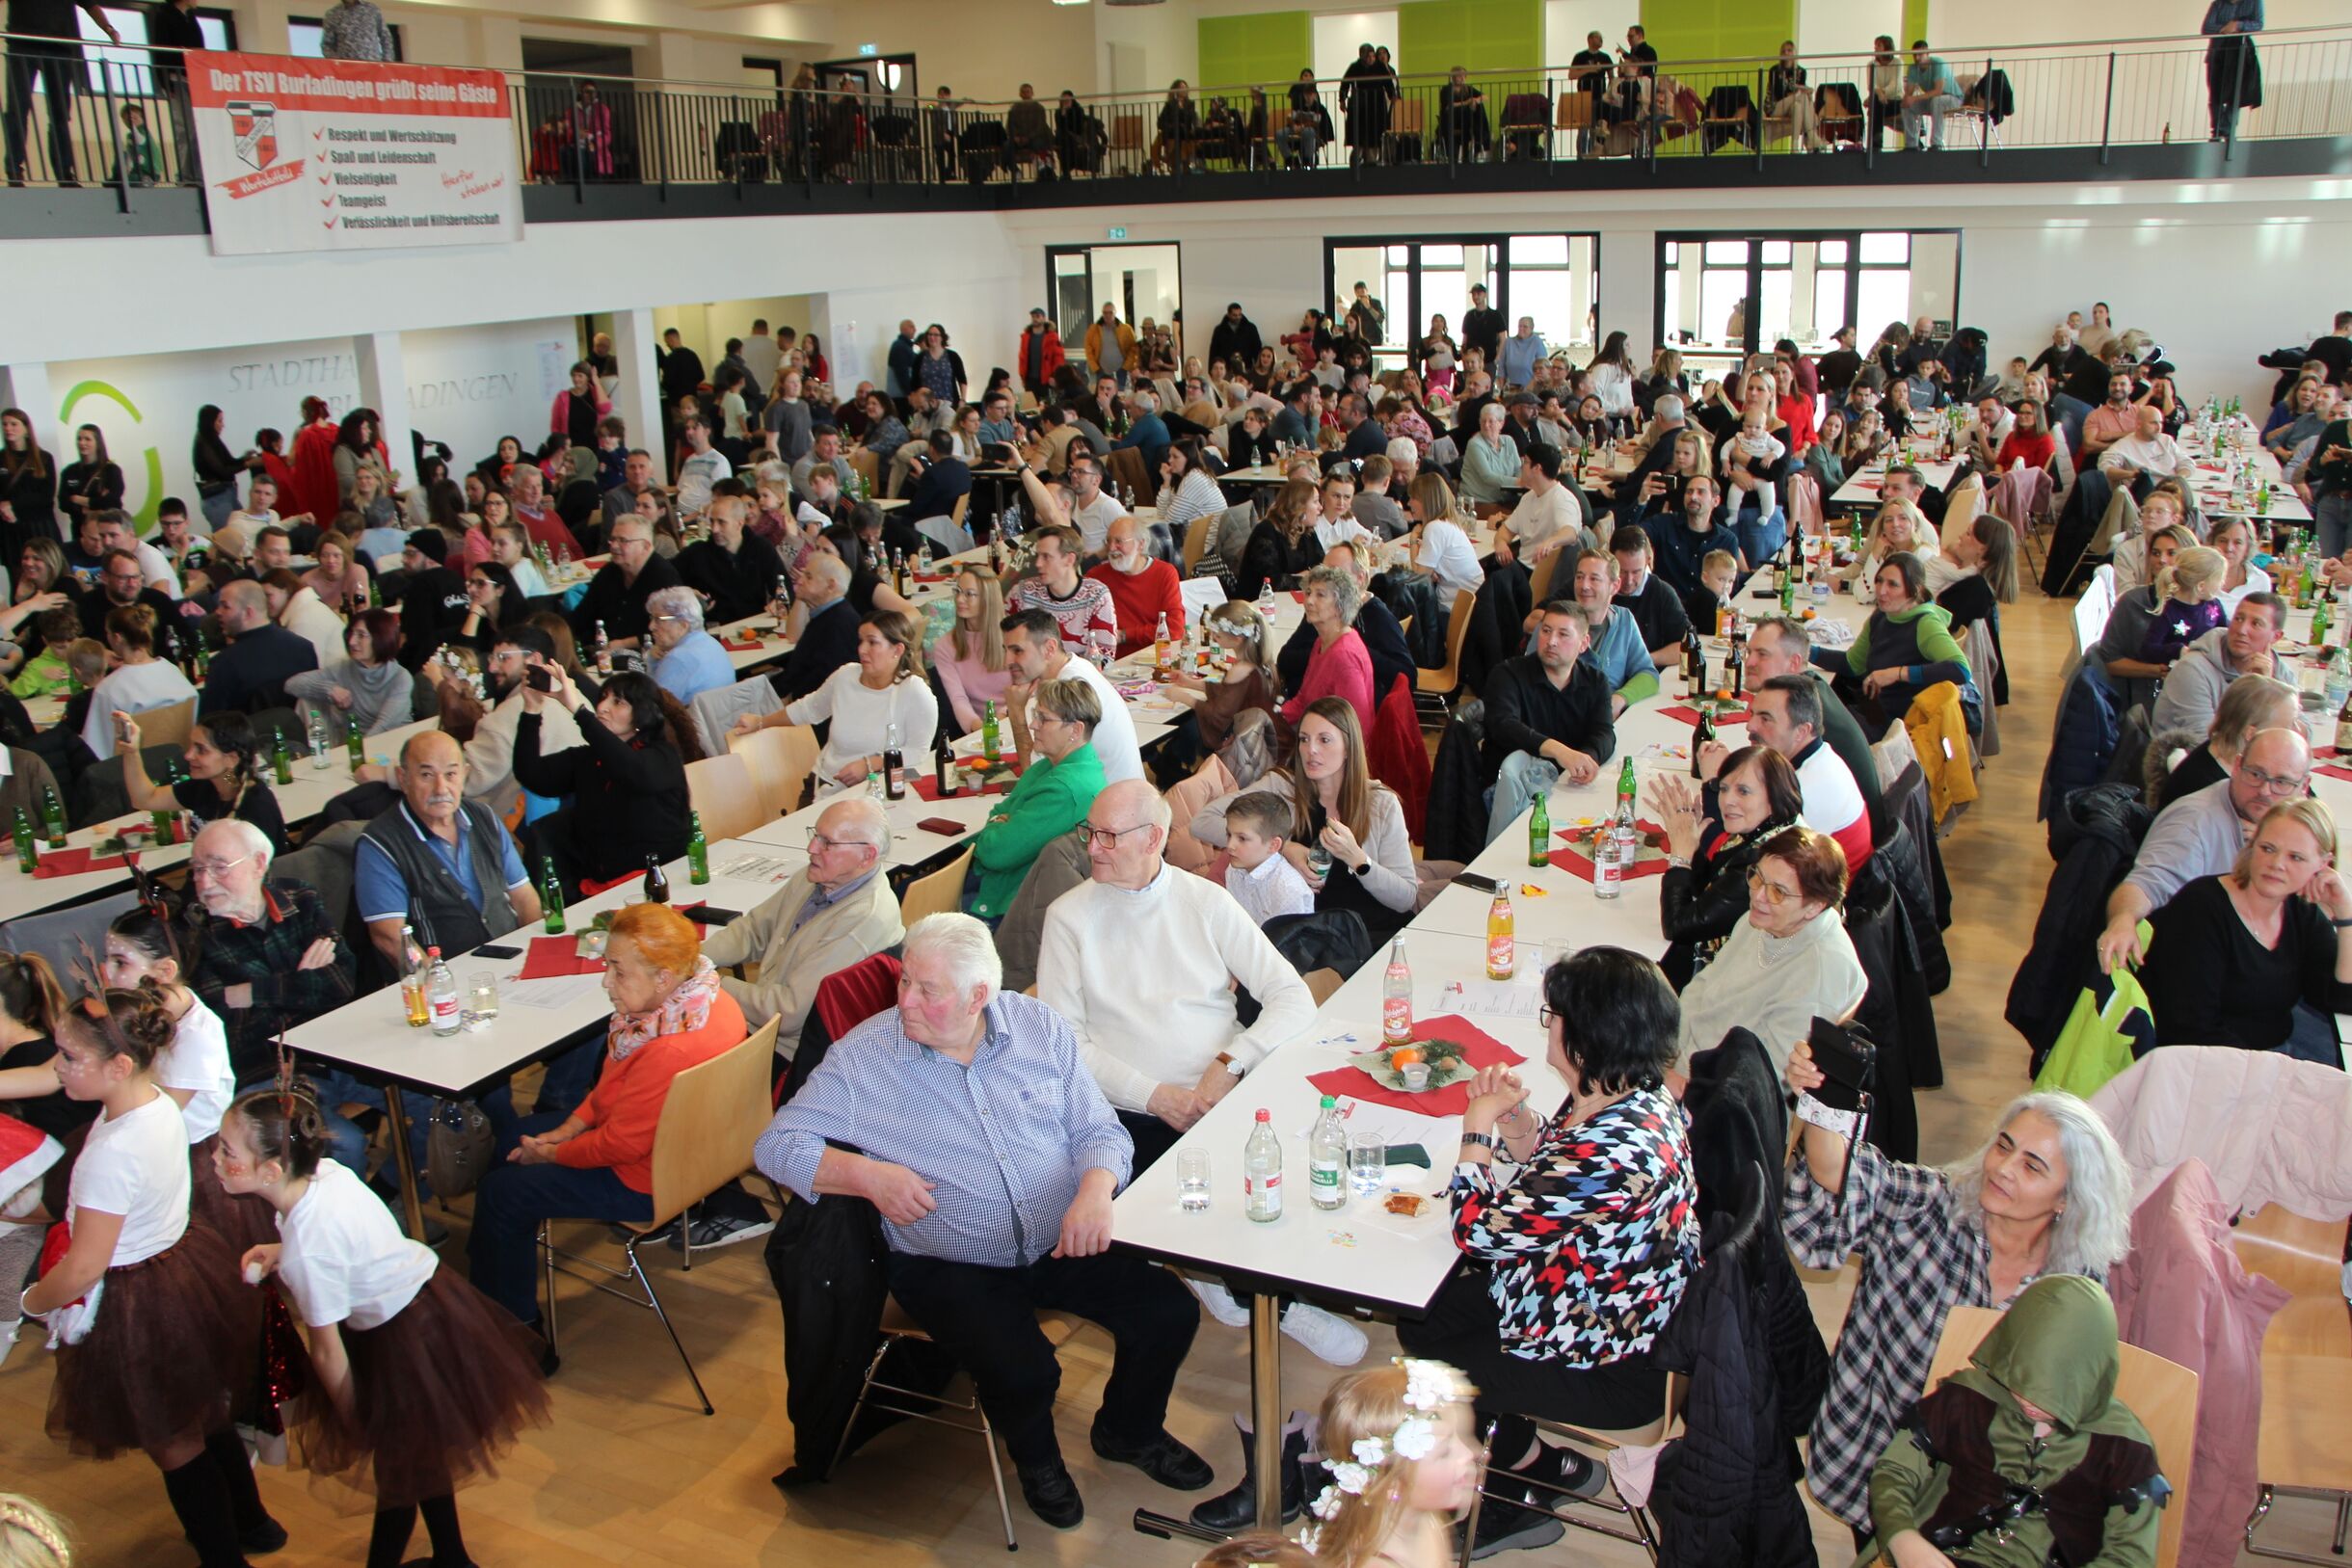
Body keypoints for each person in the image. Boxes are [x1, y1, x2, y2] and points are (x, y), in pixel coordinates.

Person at [757, 911, 1209, 1530]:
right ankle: (1038, 1463)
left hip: (1059, 1232)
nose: (906, 1000)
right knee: (1025, 1371)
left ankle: (1128, 1431)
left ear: (979, 997)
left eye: (928, 990)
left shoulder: (1037, 1027)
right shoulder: (865, 1058)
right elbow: (777, 1146)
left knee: (1170, 1312)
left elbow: (1098, 1128)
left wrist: (1096, 1190)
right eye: (905, 981)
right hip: (946, 1260)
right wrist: (867, 1176)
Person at [1394, 946, 1699, 1558]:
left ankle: (1507, 1507)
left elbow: (1478, 1233)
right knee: (1423, 1319)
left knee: (1443, 1375)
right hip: (1597, 1305)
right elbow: (1561, 1177)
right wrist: (1518, 1125)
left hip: (1610, 1362)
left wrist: (1478, 1127)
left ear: (1586, 1040)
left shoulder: (1611, 1149)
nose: (1549, 1025)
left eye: (1553, 1015)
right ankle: (1531, 1459)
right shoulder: (1632, 1095)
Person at [1781, 1078, 2132, 1540]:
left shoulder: (2076, 1285)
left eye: (2032, 1166)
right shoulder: (1929, 1205)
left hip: (1986, 1494)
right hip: (1878, 1453)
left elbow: (2069, 1413)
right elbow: (1839, 1174)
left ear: (2067, 1198)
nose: (2003, 1168)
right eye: (2004, 1146)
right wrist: (1823, 1096)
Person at [219, 1084, 549, 1568]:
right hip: (431, 1304)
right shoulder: (327, 1174)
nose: (214, 1158)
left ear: (270, 1170)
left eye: (226, 1151)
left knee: (399, 1475)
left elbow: (327, 1350)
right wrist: (282, 1251)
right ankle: (452, 1557)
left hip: (404, 1336)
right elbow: (340, 1241)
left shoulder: (309, 1249)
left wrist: (355, 1419)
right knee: (419, 1455)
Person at [19, 985, 281, 1568]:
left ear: (119, 1065)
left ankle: (223, 1557)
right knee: (204, 1411)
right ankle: (255, 1524)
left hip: (136, 1298)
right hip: (180, 1272)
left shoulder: (110, 1153)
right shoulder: (159, 1101)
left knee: (172, 1440)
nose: (58, 1067)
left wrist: (32, 1301)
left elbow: (85, 1265)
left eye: (70, 1057)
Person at [469, 902, 752, 1334]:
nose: (606, 982)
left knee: (501, 1192)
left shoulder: (665, 1048)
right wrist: (566, 1130)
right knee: (514, 1135)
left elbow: (619, 1145)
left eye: (618, 972)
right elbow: (613, 1089)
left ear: (663, 977)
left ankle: (516, 1328)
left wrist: (551, 1154)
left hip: (648, 1181)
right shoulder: (708, 1002)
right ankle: (496, 1261)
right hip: (698, 1154)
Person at [2136, 796, 2352, 1057]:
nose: (2277, 864)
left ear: (2323, 864)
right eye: (2268, 849)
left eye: (2295, 857)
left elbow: (2342, 998)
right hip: (2201, 1061)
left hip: (2265, 1055)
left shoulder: (2301, 912)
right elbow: (2190, 1030)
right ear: (2253, 845)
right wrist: (2269, 1071)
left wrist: (2345, 913)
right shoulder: (2201, 908)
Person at [1195, 699, 1417, 946]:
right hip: (1310, 938)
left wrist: (1358, 860)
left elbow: (1405, 898)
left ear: (1348, 748)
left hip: (1373, 935)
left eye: (1324, 740)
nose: (1311, 749)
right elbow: (1202, 822)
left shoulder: (1381, 804)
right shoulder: (1283, 788)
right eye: (1304, 739)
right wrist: (1283, 846)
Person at [2098, 727, 2314, 973]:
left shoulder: (2277, 823)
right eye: (2256, 774)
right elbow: (2147, 883)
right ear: (2238, 766)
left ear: (2304, 787)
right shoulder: (2193, 824)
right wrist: (2123, 919)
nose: (2265, 790)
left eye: (2282, 782)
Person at [700, 795, 901, 1055]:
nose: (811, 848)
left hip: (787, 1052)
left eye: (827, 842)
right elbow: (754, 930)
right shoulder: (816, 879)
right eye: (815, 835)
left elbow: (788, 1012)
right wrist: (695, 959)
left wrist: (709, 983)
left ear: (867, 856)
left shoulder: (862, 918)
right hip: (761, 1023)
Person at [1670, 824, 1865, 1077]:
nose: (1758, 895)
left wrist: (1677, 1079)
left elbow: (1767, 1078)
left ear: (1814, 907)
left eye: (1778, 892)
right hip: (1684, 1059)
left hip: (1713, 1086)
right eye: (1758, 877)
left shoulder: (1818, 974)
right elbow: (1701, 987)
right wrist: (1667, 1052)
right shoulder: (1767, 921)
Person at [356, 729, 541, 975]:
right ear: (403, 779)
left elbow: (524, 897)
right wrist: (437, 983)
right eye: (426, 775)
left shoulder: (484, 817)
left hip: (512, 962)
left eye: (451, 774)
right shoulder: (380, 844)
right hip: (444, 978)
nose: (441, 788)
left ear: (464, 775)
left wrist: (539, 956)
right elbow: (390, 938)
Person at [515, 666, 692, 893]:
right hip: (605, 888)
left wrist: (580, 712)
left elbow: (631, 770)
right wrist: (531, 711)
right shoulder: (589, 758)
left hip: (667, 880)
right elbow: (531, 774)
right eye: (603, 698)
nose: (601, 708)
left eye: (618, 702)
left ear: (642, 714)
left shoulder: (662, 756)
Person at [1291, 1360, 1483, 1566]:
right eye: (1444, 1453)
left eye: (1465, 1435)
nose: (1470, 1453)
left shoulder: (1427, 1519)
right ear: (1393, 1485)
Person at [1645, 745, 1804, 988]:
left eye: (1743, 791)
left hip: (1726, 983)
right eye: (1723, 788)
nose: (1727, 801)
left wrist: (1680, 854)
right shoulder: (1772, 830)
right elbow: (1706, 889)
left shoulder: (1765, 864)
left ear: (1775, 796)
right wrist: (1693, 844)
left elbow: (1678, 927)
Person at [968, 678, 1107, 921]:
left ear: (1075, 730)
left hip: (1014, 903)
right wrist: (1000, 822)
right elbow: (1000, 811)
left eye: (1044, 718)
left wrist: (999, 822)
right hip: (1011, 881)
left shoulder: (1063, 790)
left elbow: (994, 853)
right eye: (1035, 715)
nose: (1033, 725)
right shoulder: (1053, 766)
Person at [1480, 602, 1616, 844]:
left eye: (1563, 634)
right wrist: (1559, 751)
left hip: (1568, 787)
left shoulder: (1595, 681)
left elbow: (1604, 732)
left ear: (1584, 643)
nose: (1551, 641)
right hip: (1512, 794)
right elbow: (1503, 725)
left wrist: (1587, 758)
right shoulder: (1508, 674)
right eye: (1546, 631)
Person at [758, 610, 939, 791]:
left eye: (872, 642)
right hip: (827, 785)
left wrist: (871, 763)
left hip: (884, 789)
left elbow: (918, 751)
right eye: (861, 641)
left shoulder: (913, 690)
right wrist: (760, 722)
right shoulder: (845, 676)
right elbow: (808, 709)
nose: (862, 649)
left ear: (897, 650)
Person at [997, 607, 1142, 784]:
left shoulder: (1069, 684)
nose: (1007, 661)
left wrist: (1016, 712)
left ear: (1049, 648)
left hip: (1105, 797)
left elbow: (1033, 775)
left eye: (1017, 651)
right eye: (1006, 651)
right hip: (1114, 789)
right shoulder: (1075, 666)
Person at [1831, 552, 1973, 729]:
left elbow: (1961, 670)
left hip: (1898, 726)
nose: (1881, 590)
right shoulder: (1883, 615)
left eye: (1893, 584)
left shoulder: (1925, 624)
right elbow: (1852, 664)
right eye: (1879, 581)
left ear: (1915, 590)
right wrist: (1807, 651)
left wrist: (1897, 673)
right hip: (1873, 711)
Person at [120, 708, 288, 856]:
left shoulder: (255, 807)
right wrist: (131, 752)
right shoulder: (214, 784)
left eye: (201, 750)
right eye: (191, 746)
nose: (188, 756)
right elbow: (145, 798)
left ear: (231, 759)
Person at [2149, 592, 2287, 741]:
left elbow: (2299, 727)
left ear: (2276, 636)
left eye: (2256, 624)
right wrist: (2255, 694)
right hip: (2186, 754)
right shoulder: (2192, 670)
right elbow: (2208, 744)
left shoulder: (2275, 668)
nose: (2241, 630)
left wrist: (2267, 687)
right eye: (2238, 619)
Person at [2150, 672, 2297, 811]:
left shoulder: (2225, 759)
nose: (2297, 731)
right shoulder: (2206, 792)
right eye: (2289, 726)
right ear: (2251, 734)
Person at [84, 604, 198, 762]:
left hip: (134, 769)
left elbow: (96, 750)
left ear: (117, 638)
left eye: (107, 633)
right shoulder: (173, 671)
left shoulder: (108, 689)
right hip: (182, 761)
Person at [1283, 566, 1376, 734]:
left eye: (1320, 595)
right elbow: (1303, 700)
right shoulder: (1322, 642)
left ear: (1340, 605)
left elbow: (1355, 727)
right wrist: (1276, 717)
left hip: (1330, 742)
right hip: (1314, 729)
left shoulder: (1344, 657)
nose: (1309, 601)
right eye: (1308, 593)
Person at [570, 514, 681, 654]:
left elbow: (671, 630)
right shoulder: (609, 572)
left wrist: (624, 644)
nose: (614, 546)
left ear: (645, 546)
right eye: (613, 539)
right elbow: (581, 617)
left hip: (646, 655)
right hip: (600, 652)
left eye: (623, 540)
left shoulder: (664, 578)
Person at [1007, 523, 1118, 652]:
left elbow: (1104, 656)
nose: (1038, 563)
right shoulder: (1022, 593)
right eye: (1037, 556)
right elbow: (1005, 645)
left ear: (1069, 559)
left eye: (1046, 557)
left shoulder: (1097, 596)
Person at [1087, 514, 1185, 657]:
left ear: (1141, 544)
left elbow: (1175, 629)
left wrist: (1125, 635)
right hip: (1112, 659)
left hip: (1155, 657)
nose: (1111, 548)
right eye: (1108, 541)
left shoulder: (1165, 573)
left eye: (1119, 541)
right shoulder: (1096, 576)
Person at [1219, 790, 1316, 927]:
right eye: (1229, 834)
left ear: (1273, 845)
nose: (1230, 845)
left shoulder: (1289, 890)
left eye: (1242, 838)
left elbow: (1287, 938)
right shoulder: (1234, 870)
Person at [1609, 525, 1690, 663]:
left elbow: (1686, 647)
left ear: (1648, 560)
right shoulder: (1594, 588)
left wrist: (1643, 661)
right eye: (1622, 571)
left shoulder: (1662, 593)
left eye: (1636, 572)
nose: (1629, 581)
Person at [643, 586, 735, 706]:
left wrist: (651, 660)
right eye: (651, 618)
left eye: (659, 619)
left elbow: (652, 708)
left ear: (683, 625)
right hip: (724, 715)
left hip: (696, 718)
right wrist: (654, 659)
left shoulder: (678, 659)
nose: (651, 627)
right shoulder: (709, 641)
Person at [2203, 0, 2263, 142]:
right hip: (2217, 54)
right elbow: (2207, 27)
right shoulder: (2218, 4)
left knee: (2235, 95)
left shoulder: (2254, 2)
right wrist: (2225, 29)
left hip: (2239, 57)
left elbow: (2258, 24)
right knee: (2215, 94)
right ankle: (2218, 131)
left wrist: (2237, 25)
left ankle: (2225, 130)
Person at [1900, 39, 1961, 149]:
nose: (1917, 58)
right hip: (1932, 100)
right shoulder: (1913, 68)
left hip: (1954, 99)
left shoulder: (1938, 63)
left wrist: (1914, 98)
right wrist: (1906, 100)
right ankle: (1911, 145)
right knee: (1908, 106)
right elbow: (1909, 93)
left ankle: (1936, 143)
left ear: (1927, 53)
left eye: (1920, 55)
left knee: (1937, 100)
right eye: (1914, 55)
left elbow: (1938, 91)